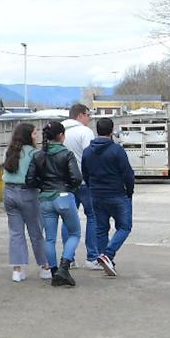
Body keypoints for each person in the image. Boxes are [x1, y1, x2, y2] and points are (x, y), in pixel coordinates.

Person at [25, 121, 82, 287]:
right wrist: (69, 188)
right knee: (74, 233)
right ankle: (64, 267)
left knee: (49, 238)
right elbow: (77, 178)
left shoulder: (38, 155)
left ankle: (54, 271)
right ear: (62, 136)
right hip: (64, 196)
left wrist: (43, 187)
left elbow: (29, 180)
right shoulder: (67, 154)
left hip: (45, 199)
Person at [81, 117, 134, 277]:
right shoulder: (117, 150)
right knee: (124, 227)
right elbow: (127, 174)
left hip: (96, 194)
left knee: (101, 229)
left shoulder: (87, 151)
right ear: (112, 131)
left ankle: (107, 261)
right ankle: (108, 255)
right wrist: (129, 192)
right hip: (117, 193)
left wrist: (92, 188)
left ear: (97, 130)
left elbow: (85, 173)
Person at [0, 121, 48, 283]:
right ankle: (44, 267)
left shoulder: (9, 151)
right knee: (36, 232)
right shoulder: (35, 153)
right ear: (28, 136)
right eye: (35, 133)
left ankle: (17, 270)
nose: (37, 136)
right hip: (28, 193)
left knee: (16, 233)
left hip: (9, 193)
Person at [61, 103, 99, 268]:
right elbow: (90, 157)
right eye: (88, 115)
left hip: (64, 183)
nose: (89, 119)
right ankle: (92, 257)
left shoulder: (59, 130)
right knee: (93, 217)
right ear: (80, 115)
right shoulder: (85, 132)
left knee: (68, 219)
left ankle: (68, 257)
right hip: (84, 182)